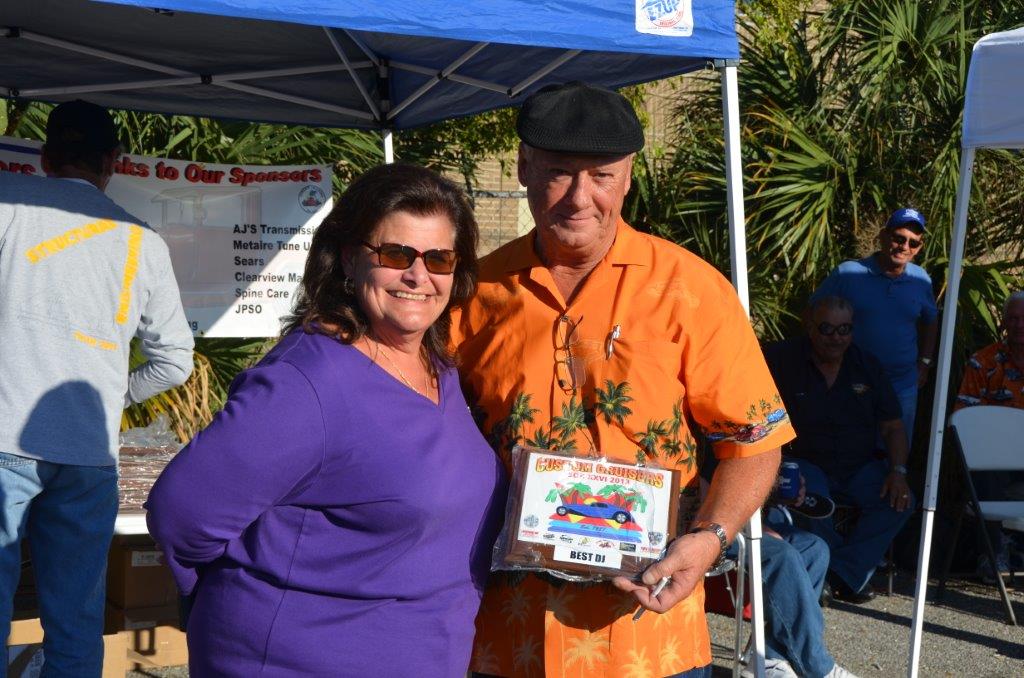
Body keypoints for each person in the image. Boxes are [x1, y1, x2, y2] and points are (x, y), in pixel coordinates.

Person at [451, 81, 795, 677]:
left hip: (647, 640)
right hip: (505, 637)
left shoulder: (690, 291)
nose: (579, 198)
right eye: (558, 173)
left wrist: (710, 538)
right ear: (524, 167)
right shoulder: (475, 293)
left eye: (601, 176)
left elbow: (755, 440)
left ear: (629, 176)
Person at [145, 163, 506, 677]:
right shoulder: (309, 384)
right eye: (395, 254)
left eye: (439, 258)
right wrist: (243, 590)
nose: (418, 276)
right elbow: (181, 512)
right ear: (349, 259)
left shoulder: (438, 368)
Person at [0, 100, 194, 675]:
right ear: (113, 161)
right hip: (89, 454)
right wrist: (117, 394)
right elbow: (175, 362)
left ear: (44, 156)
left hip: (3, 437)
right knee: (76, 620)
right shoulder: (143, 242)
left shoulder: (8, 204)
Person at [764, 296, 914, 604]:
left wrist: (898, 472)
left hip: (858, 466)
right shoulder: (782, 359)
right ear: (810, 327)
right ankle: (835, 575)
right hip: (804, 460)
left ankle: (839, 574)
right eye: (827, 329)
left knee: (900, 501)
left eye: (844, 329)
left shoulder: (867, 365)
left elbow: (893, 426)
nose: (836, 337)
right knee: (814, 502)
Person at [811, 207, 938, 444]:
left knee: (897, 450)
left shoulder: (921, 280)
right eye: (899, 238)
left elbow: (931, 320)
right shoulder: (848, 274)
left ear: (919, 248)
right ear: (883, 236)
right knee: (850, 448)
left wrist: (925, 363)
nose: (904, 247)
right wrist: (821, 359)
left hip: (902, 384)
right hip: (853, 380)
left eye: (913, 243)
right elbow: (813, 312)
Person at [954, 290, 1024, 578]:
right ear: (1003, 323)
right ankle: (993, 554)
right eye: (1013, 318)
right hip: (995, 460)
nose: (1019, 325)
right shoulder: (983, 362)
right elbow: (965, 422)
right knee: (985, 467)